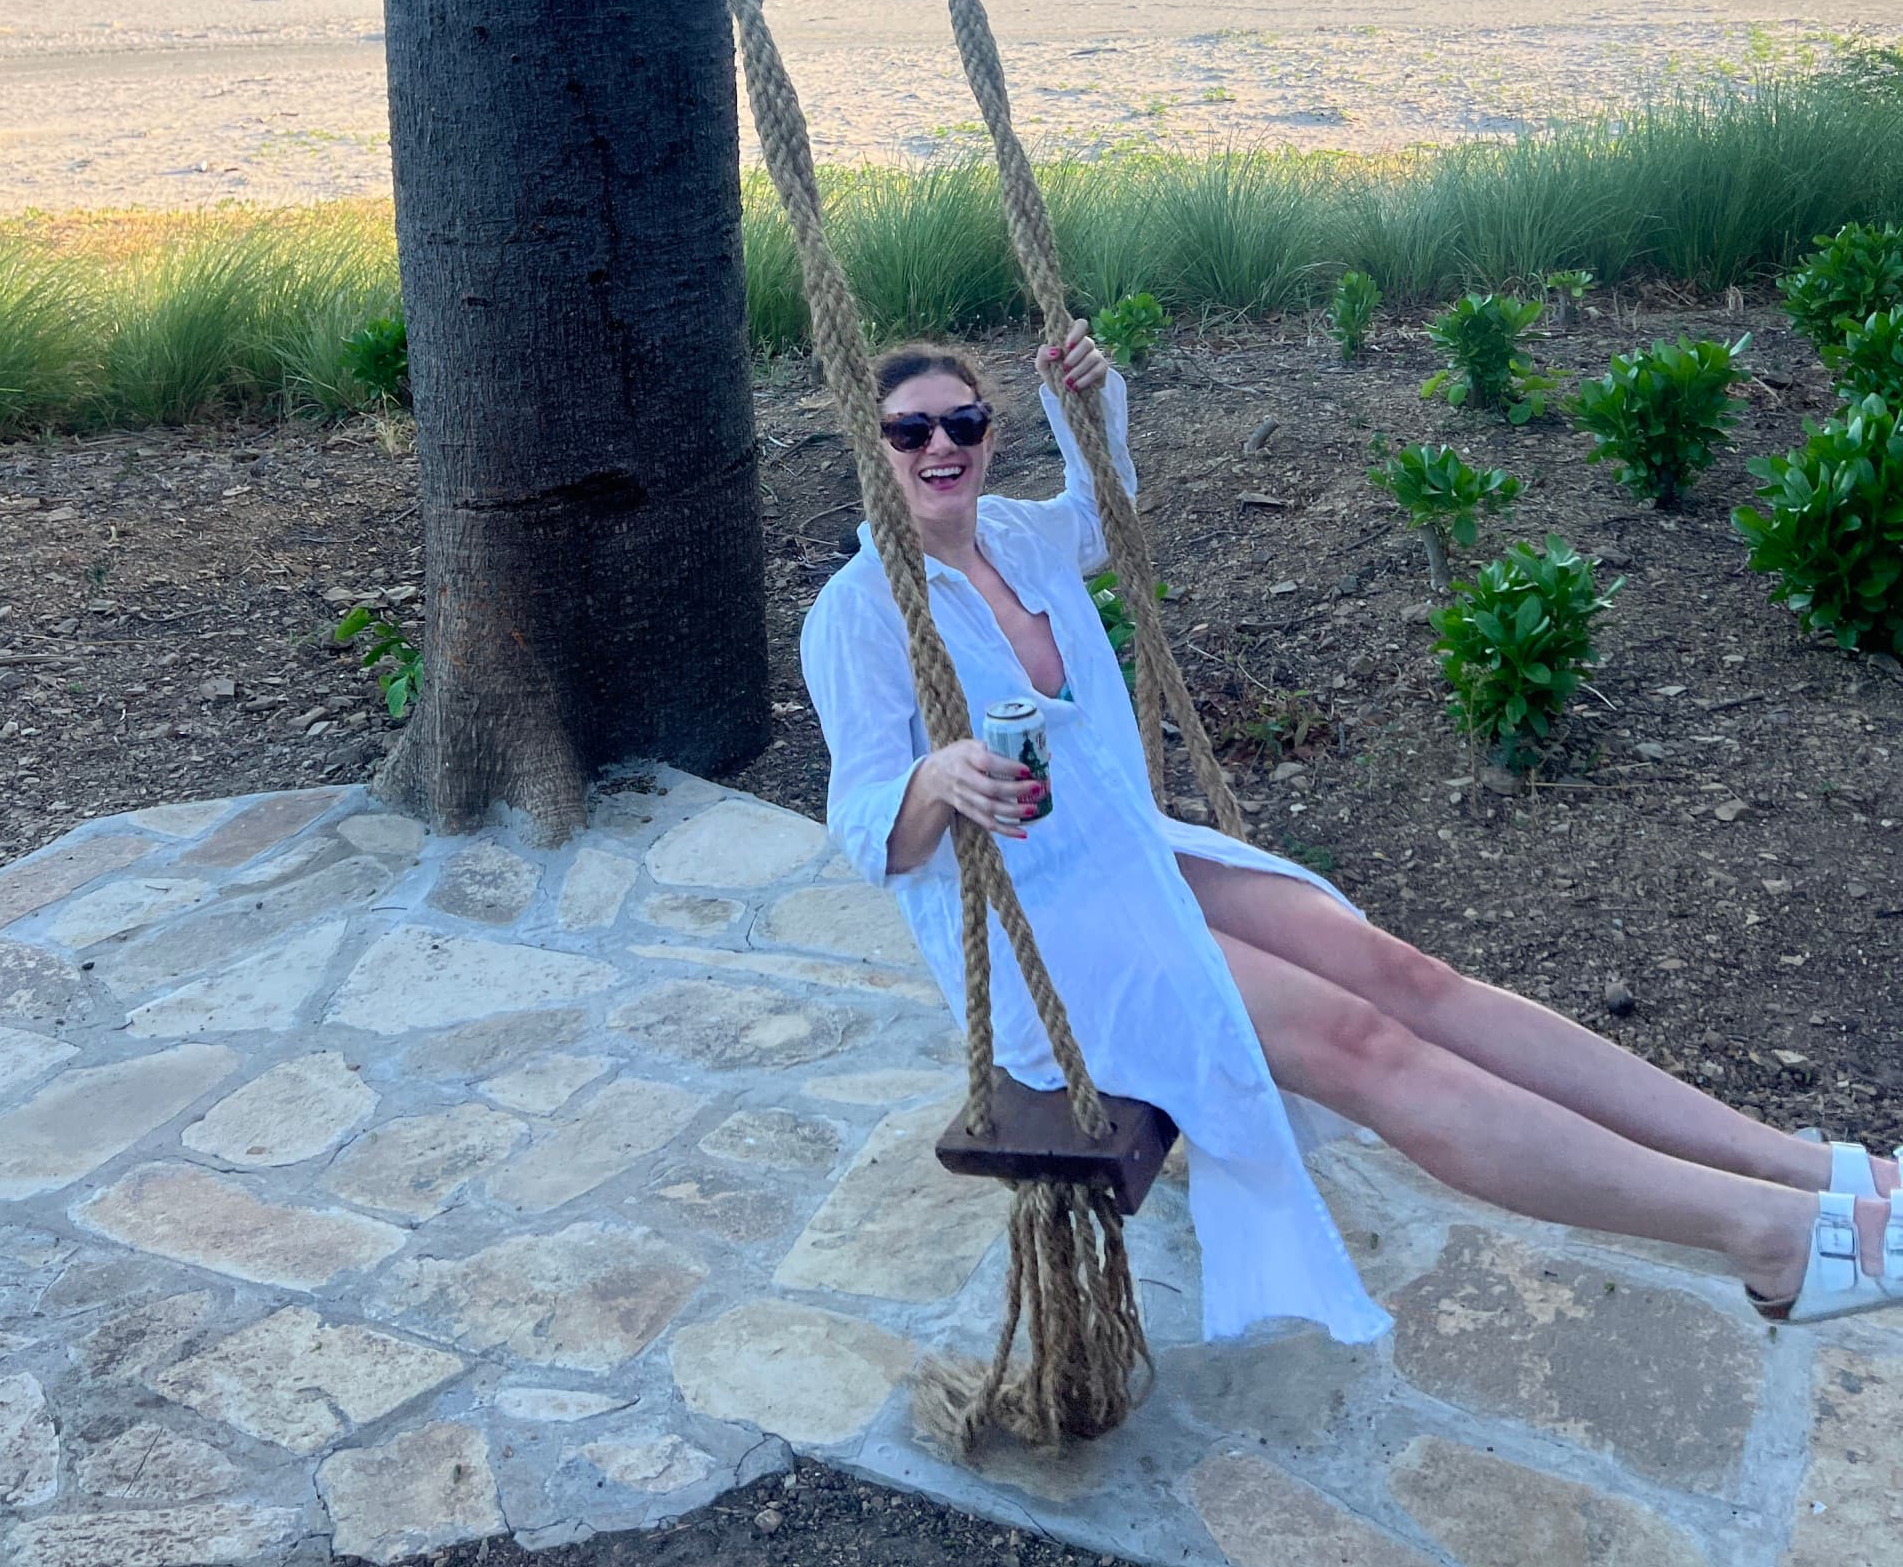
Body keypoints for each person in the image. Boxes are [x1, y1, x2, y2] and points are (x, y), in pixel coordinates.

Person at [801, 321, 1903, 1339]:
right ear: (871, 442)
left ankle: (1804, 1166)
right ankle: (1763, 1238)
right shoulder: (857, 613)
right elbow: (866, 831)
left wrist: (1091, 404)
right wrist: (937, 777)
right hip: (1039, 932)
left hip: (1130, 857)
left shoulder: (1018, 539)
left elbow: (1106, 513)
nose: (938, 446)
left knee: (1402, 974)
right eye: (908, 430)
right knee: (1361, 1043)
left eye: (963, 422)